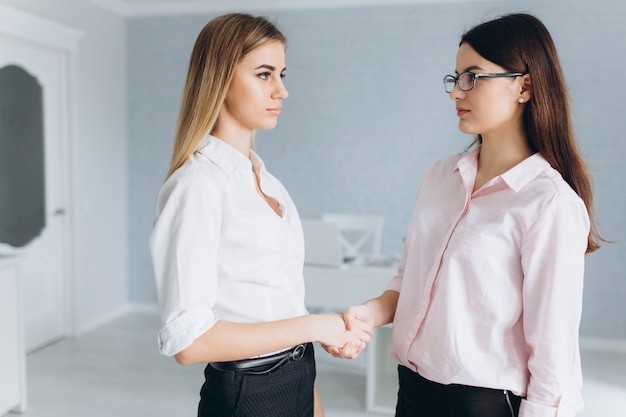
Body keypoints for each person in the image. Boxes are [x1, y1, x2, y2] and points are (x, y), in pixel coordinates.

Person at [328, 13, 602, 417]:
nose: (457, 92)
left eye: (472, 77)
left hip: (483, 404)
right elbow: (410, 280)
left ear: (524, 85)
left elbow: (554, 351)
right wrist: (369, 313)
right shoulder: (440, 176)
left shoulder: (549, 204)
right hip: (412, 390)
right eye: (455, 78)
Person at [149, 13, 369, 417]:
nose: (282, 91)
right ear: (220, 79)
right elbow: (190, 343)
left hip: (298, 376)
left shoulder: (268, 182)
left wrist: (312, 396)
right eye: (264, 74)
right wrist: (319, 326)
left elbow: (284, 305)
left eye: (282, 74)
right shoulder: (197, 186)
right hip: (247, 397)